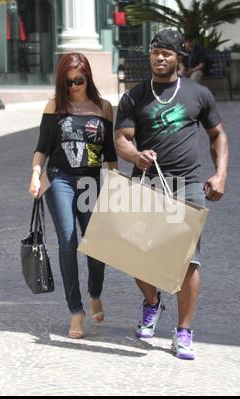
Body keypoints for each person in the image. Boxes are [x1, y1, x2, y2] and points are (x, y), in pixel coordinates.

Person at [115, 29, 229, 360]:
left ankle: (184, 331)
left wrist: (220, 174)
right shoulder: (134, 97)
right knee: (136, 253)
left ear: (179, 58)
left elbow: (217, 135)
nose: (160, 57)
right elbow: (122, 139)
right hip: (147, 182)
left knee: (188, 259)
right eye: (155, 51)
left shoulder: (198, 93)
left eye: (167, 52)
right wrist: (136, 156)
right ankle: (152, 303)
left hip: (188, 184)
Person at [29, 53, 118, 339]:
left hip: (90, 182)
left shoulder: (104, 108)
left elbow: (111, 154)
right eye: (67, 83)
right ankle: (76, 311)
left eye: (78, 81)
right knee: (68, 243)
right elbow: (42, 146)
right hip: (59, 179)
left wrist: (116, 184)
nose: (73, 87)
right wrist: (34, 173)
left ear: (88, 78)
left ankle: (95, 293)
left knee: (96, 244)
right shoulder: (55, 106)